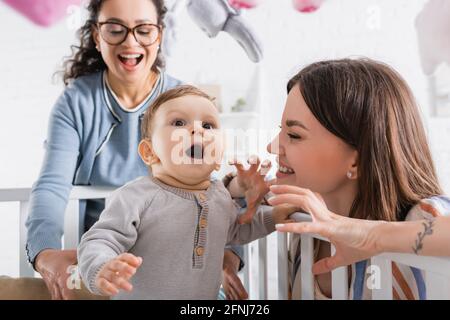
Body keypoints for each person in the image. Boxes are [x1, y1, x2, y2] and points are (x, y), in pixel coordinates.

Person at [19, 0, 240, 300]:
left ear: (159, 35)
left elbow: (212, 181)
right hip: (104, 265)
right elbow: (51, 186)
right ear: (97, 36)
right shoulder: (77, 102)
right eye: (115, 30)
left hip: (176, 265)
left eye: (144, 30)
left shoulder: (184, 102)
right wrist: (45, 254)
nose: (130, 41)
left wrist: (227, 255)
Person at [230, 58, 450, 300]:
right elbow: (224, 211)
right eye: (280, 130)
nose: (272, 147)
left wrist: (370, 236)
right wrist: (239, 188)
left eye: (294, 134)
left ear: (357, 160)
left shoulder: (421, 217)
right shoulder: (305, 225)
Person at [77, 85, 294, 299]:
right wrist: (102, 266)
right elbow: (102, 239)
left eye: (208, 125)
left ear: (218, 158)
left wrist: (276, 215)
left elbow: (237, 230)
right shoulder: (135, 196)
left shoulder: (220, 196)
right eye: (179, 122)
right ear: (150, 152)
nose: (197, 129)